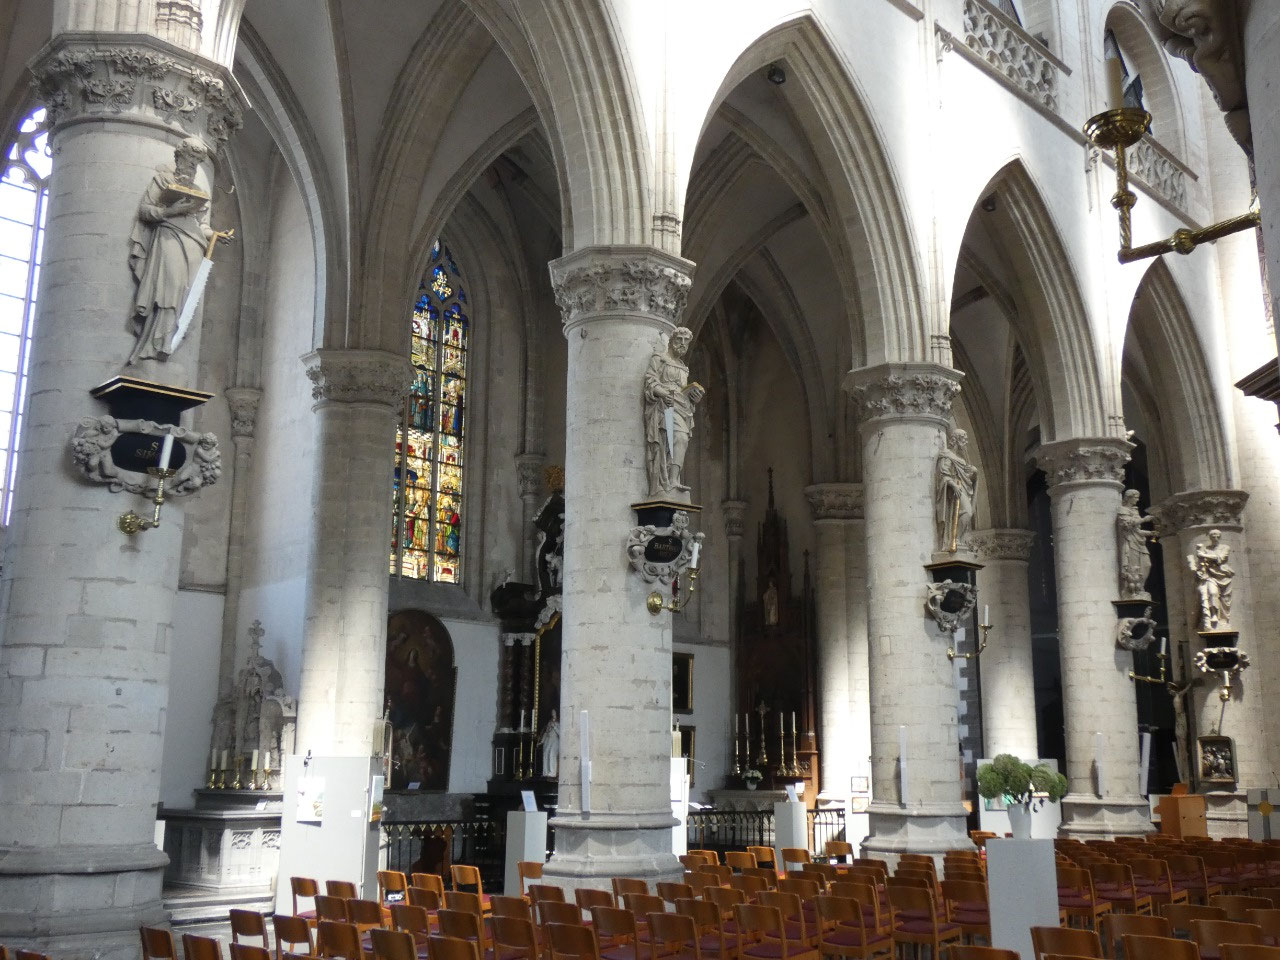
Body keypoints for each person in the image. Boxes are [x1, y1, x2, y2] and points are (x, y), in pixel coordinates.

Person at [127, 137, 216, 365]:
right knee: (170, 286)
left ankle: (170, 340)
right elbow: (145, 210)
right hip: (169, 237)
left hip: (194, 243)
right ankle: (155, 342)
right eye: (189, 159)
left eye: (196, 162)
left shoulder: (198, 191)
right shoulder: (162, 180)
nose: (192, 165)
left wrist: (216, 235)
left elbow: (202, 225)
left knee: (187, 293)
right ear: (179, 158)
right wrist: (170, 211)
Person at [643, 327, 705, 499]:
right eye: (679, 340)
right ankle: (667, 482)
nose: (682, 344)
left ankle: (673, 479)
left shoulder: (683, 367)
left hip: (682, 407)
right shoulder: (660, 359)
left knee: (680, 439)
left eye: (686, 342)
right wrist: (663, 394)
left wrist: (694, 398)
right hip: (666, 407)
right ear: (671, 341)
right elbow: (650, 381)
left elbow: (684, 390)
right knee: (675, 439)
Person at [935, 427, 978, 552]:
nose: (966, 443)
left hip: (962, 488)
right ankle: (954, 539)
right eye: (964, 440)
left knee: (968, 512)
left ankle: (958, 539)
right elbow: (943, 474)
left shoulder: (962, 460)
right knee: (967, 512)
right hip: (954, 490)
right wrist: (953, 485)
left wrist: (974, 473)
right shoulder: (946, 455)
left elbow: (967, 477)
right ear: (957, 440)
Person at [1188, 528, 1234, 630]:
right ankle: (1214, 615)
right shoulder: (1206, 549)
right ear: (1210, 537)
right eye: (1212, 535)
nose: (1215, 537)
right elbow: (1201, 563)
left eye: (1217, 535)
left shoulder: (1225, 547)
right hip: (1210, 576)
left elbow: (1220, 558)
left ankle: (1224, 619)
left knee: (1225, 600)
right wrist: (1198, 569)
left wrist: (1203, 555)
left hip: (1223, 576)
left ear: (1220, 536)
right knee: (1212, 593)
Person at [1117, 489, 1156, 600]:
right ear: (1129, 497)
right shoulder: (1122, 510)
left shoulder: (1135, 511)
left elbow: (1137, 531)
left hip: (1139, 542)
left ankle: (1140, 587)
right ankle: (1133, 591)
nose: (1137, 500)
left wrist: (1151, 533)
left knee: (1147, 565)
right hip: (1130, 541)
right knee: (1133, 568)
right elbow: (1127, 525)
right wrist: (1144, 520)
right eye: (1136, 497)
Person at [537, 710, 560, 779]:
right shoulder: (549, 722)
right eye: (552, 712)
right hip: (548, 740)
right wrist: (542, 741)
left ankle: (552, 772)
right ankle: (546, 772)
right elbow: (546, 733)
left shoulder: (559, 722)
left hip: (555, 740)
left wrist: (554, 727)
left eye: (554, 712)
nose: (553, 713)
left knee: (552, 754)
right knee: (546, 754)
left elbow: (560, 733)